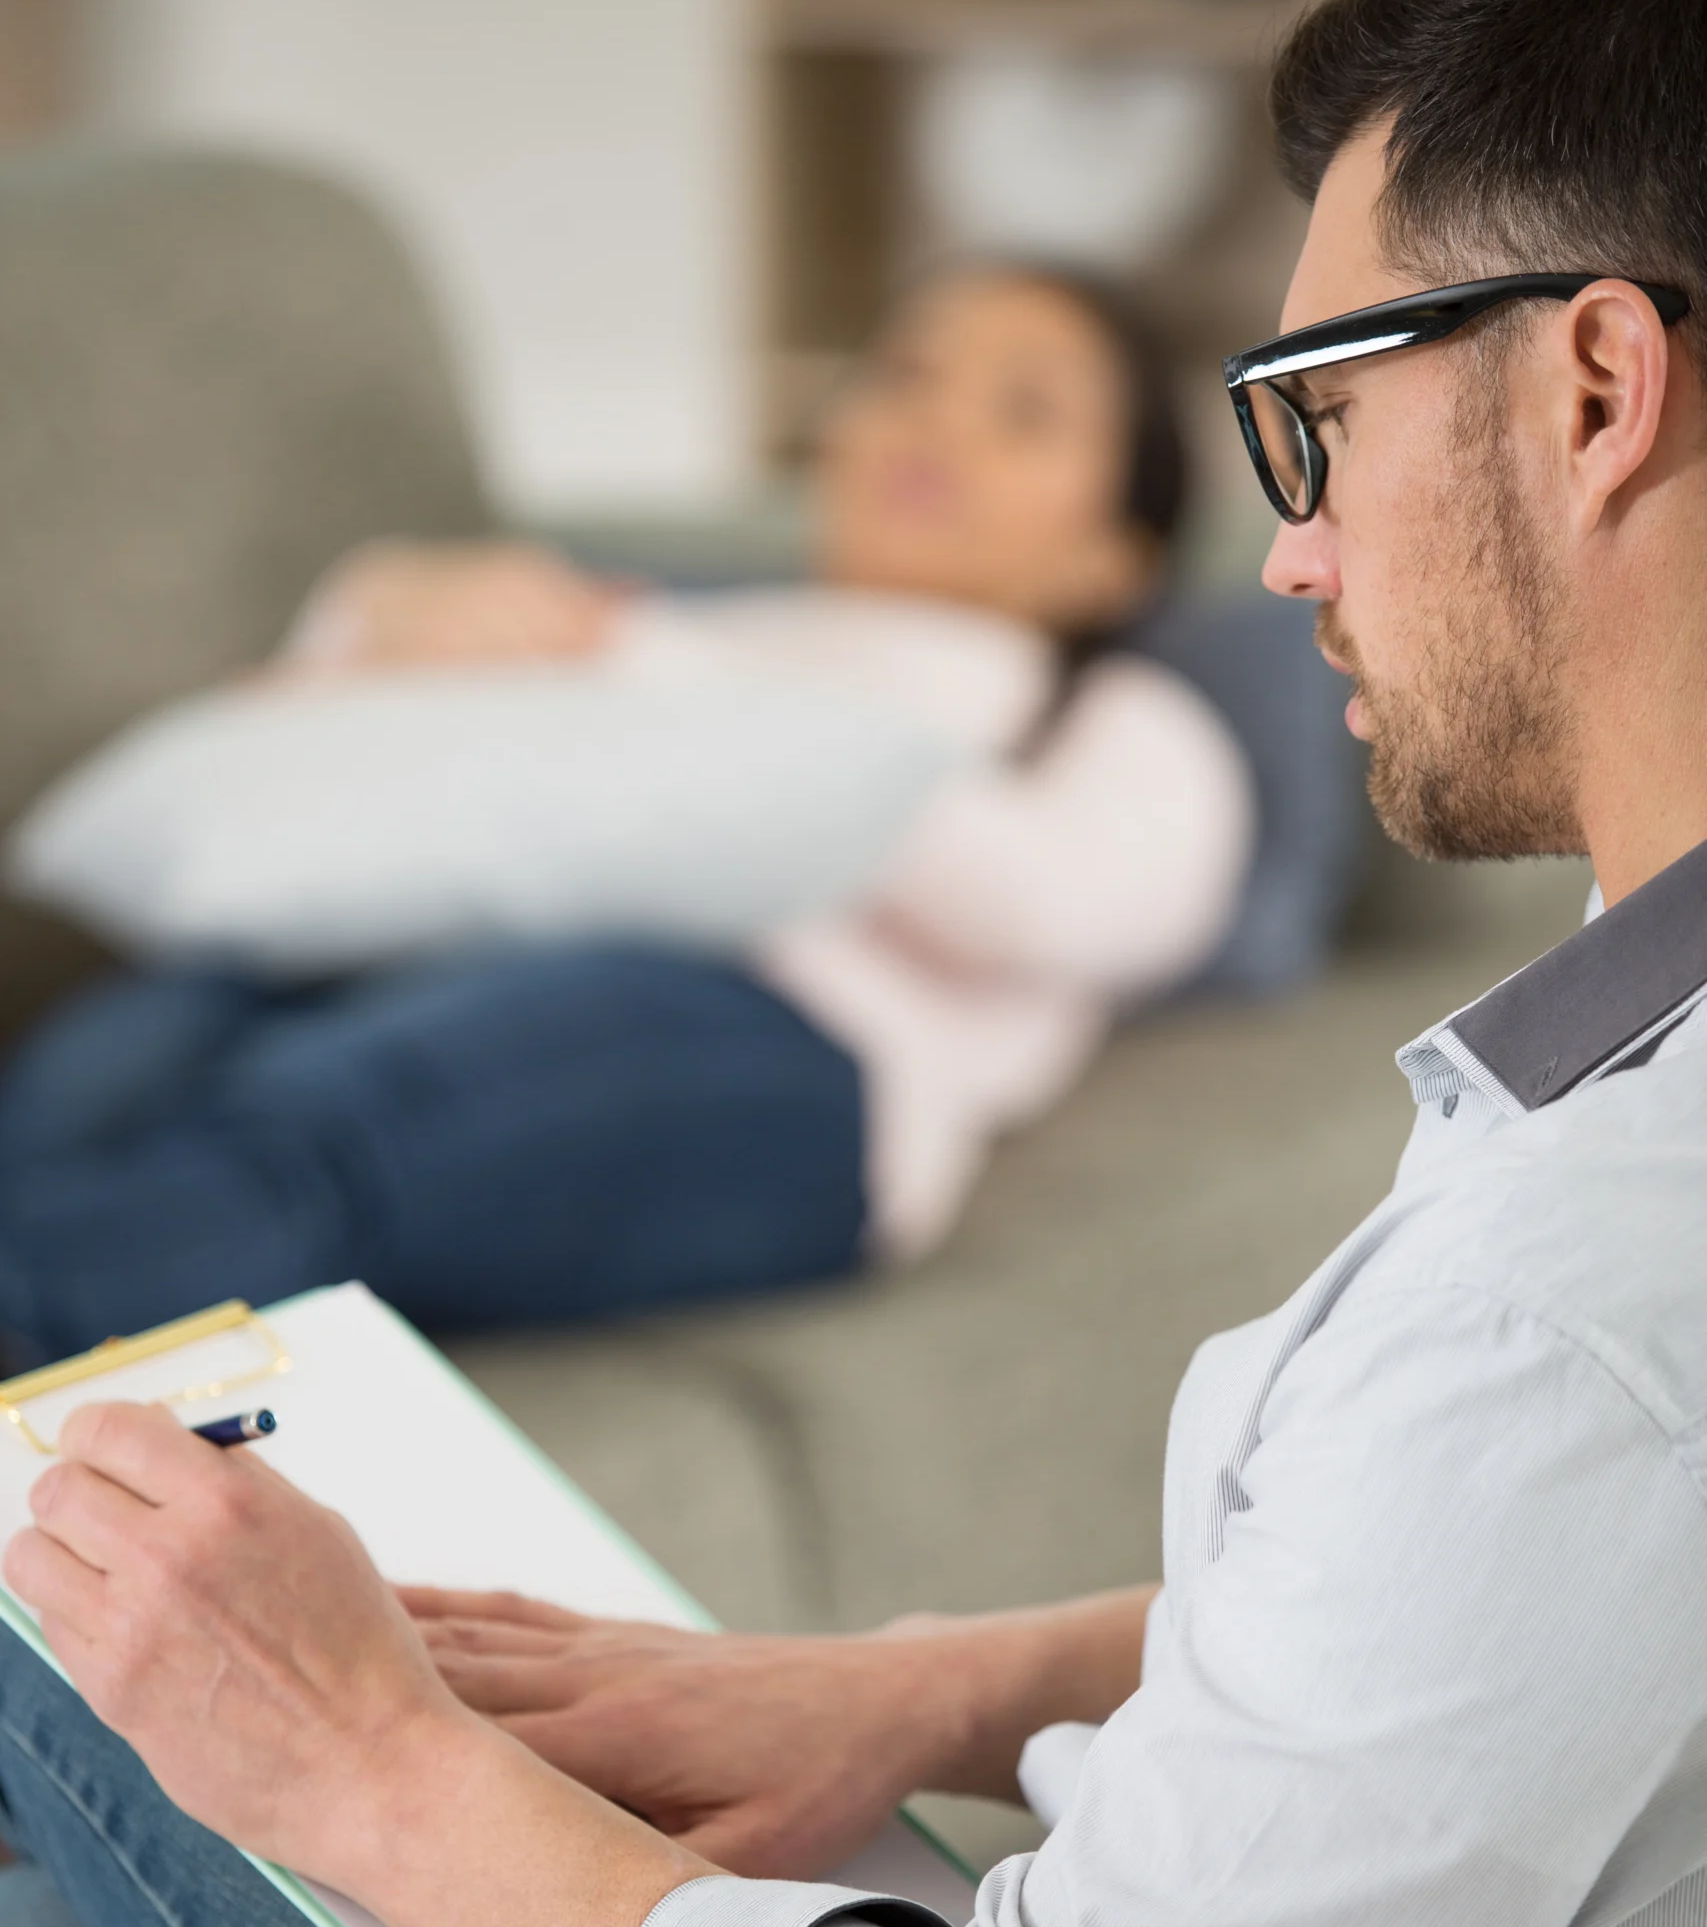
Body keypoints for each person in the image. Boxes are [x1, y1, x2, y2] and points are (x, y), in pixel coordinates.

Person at [4, 0, 1707, 1927]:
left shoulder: (1580, 1287)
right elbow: (1530, 1626)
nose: (1290, 555)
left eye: (1310, 421)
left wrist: (355, 1754)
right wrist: (898, 1692)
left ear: (1587, 388)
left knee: (70, 1560)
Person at [0, 259, 1253, 1368]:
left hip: (779, 1043)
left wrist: (651, 680)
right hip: (430, 945)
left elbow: (1069, 905)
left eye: (1022, 410)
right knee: (96, 1077)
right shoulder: (684, 628)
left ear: (1116, 557)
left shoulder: (1115, 723)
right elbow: (325, 772)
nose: (936, 417)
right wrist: (380, 607)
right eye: (906, 371)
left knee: (329, 1126)